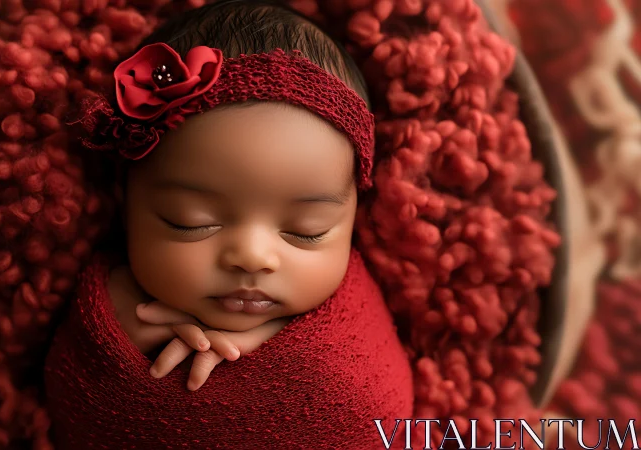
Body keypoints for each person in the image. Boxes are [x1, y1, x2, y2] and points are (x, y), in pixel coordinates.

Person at [44, 1, 413, 448]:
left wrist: (283, 354)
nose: (253, 256)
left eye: (306, 229)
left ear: (354, 218)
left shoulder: (349, 338)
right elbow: (68, 401)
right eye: (190, 221)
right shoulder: (107, 310)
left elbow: (378, 406)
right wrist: (108, 330)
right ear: (126, 204)